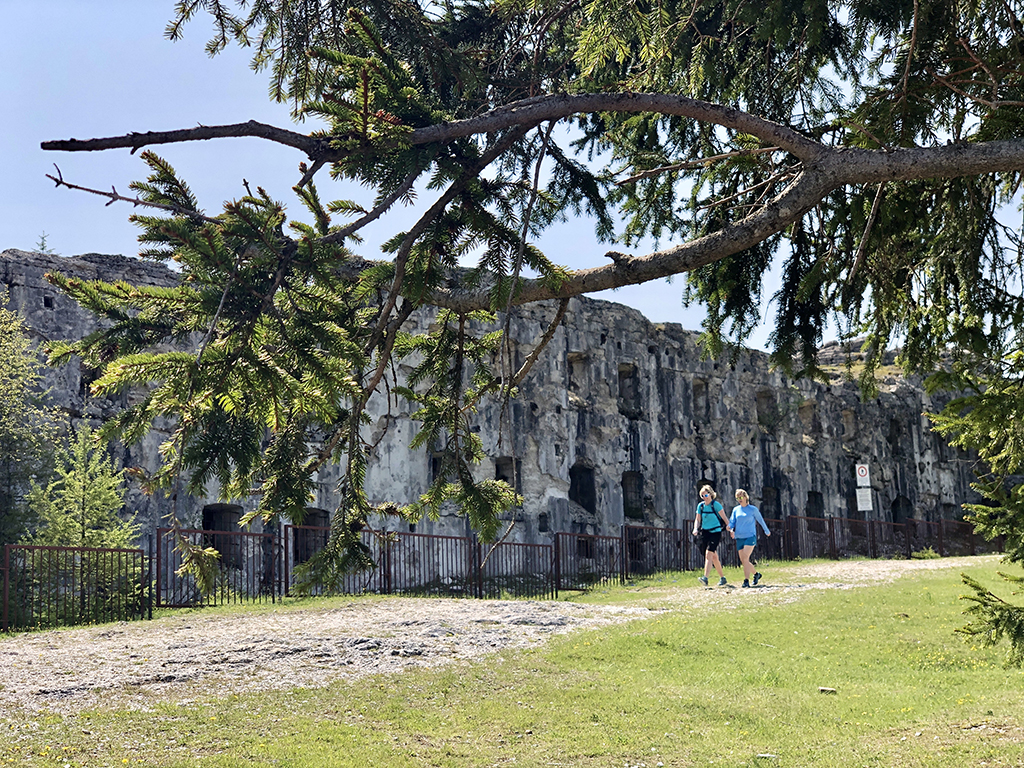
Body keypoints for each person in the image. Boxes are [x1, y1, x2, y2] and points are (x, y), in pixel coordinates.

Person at [727, 488, 771, 588]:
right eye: (737, 498)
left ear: (746, 497)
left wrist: (766, 530)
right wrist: (730, 527)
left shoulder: (753, 509)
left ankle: (746, 580)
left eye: (741, 497)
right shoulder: (736, 509)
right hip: (739, 537)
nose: (739, 499)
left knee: (745, 557)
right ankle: (756, 574)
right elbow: (732, 521)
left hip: (750, 536)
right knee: (744, 560)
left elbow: (761, 520)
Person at [692, 485, 730, 586]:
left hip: (716, 532)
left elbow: (725, 518)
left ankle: (705, 578)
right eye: (702, 495)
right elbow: (698, 519)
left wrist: (731, 529)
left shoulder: (716, 505)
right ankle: (722, 578)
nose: (705, 497)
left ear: (711, 494)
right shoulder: (700, 506)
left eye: (706, 494)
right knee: (714, 557)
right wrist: (695, 528)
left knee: (709, 554)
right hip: (705, 533)